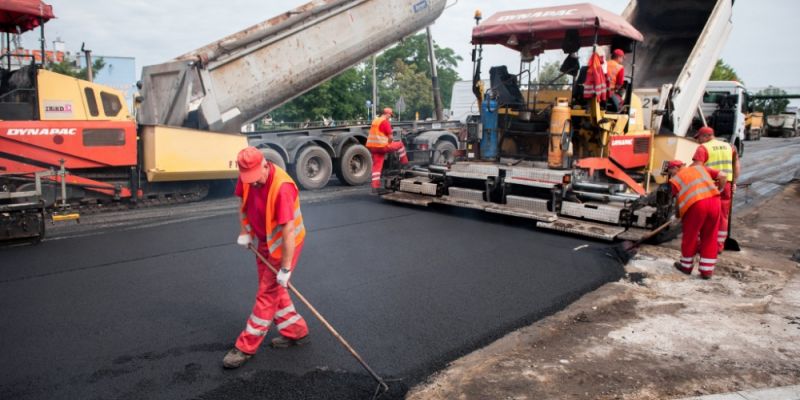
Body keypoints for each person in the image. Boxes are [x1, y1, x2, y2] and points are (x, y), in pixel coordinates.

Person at [223, 146, 310, 369]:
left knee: (267, 293)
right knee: (271, 289)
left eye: (255, 177)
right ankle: (296, 331)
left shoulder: (282, 187)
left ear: (264, 164)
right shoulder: (248, 177)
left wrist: (286, 268)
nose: (252, 183)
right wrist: (245, 232)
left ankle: (245, 346)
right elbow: (243, 205)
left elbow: (288, 232)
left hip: (284, 245)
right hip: (265, 241)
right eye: (247, 178)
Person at [666, 160, 727, 279]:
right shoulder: (700, 168)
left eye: (670, 170)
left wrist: (678, 215)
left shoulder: (675, 180)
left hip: (696, 206)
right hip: (715, 202)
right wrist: (720, 189)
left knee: (690, 236)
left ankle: (686, 267)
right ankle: (707, 271)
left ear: (677, 168)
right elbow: (723, 175)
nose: (671, 174)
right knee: (710, 236)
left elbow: (679, 200)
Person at [691, 126, 740, 253]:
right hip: (726, 185)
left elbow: (697, 167)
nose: (698, 141)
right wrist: (734, 182)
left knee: (705, 216)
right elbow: (736, 166)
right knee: (723, 216)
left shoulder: (703, 148)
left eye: (699, 138)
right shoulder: (730, 147)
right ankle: (719, 246)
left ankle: (704, 245)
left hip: (709, 186)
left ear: (705, 136)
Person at [366, 107, 408, 193]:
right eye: (390, 115)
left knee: (377, 167)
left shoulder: (375, 121)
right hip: (381, 146)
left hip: (372, 147)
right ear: (387, 114)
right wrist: (389, 145)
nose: (390, 117)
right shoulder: (385, 122)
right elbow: (391, 137)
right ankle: (405, 164)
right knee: (400, 144)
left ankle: (375, 187)